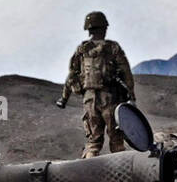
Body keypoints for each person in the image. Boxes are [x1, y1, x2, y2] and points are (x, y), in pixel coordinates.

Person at [54, 11, 135, 157]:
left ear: (89, 29)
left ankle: (87, 175)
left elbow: (72, 75)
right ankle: (121, 176)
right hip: (110, 99)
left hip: (89, 99)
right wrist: (132, 97)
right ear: (104, 28)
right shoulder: (113, 48)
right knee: (116, 142)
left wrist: (64, 98)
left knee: (93, 143)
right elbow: (126, 73)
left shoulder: (82, 49)